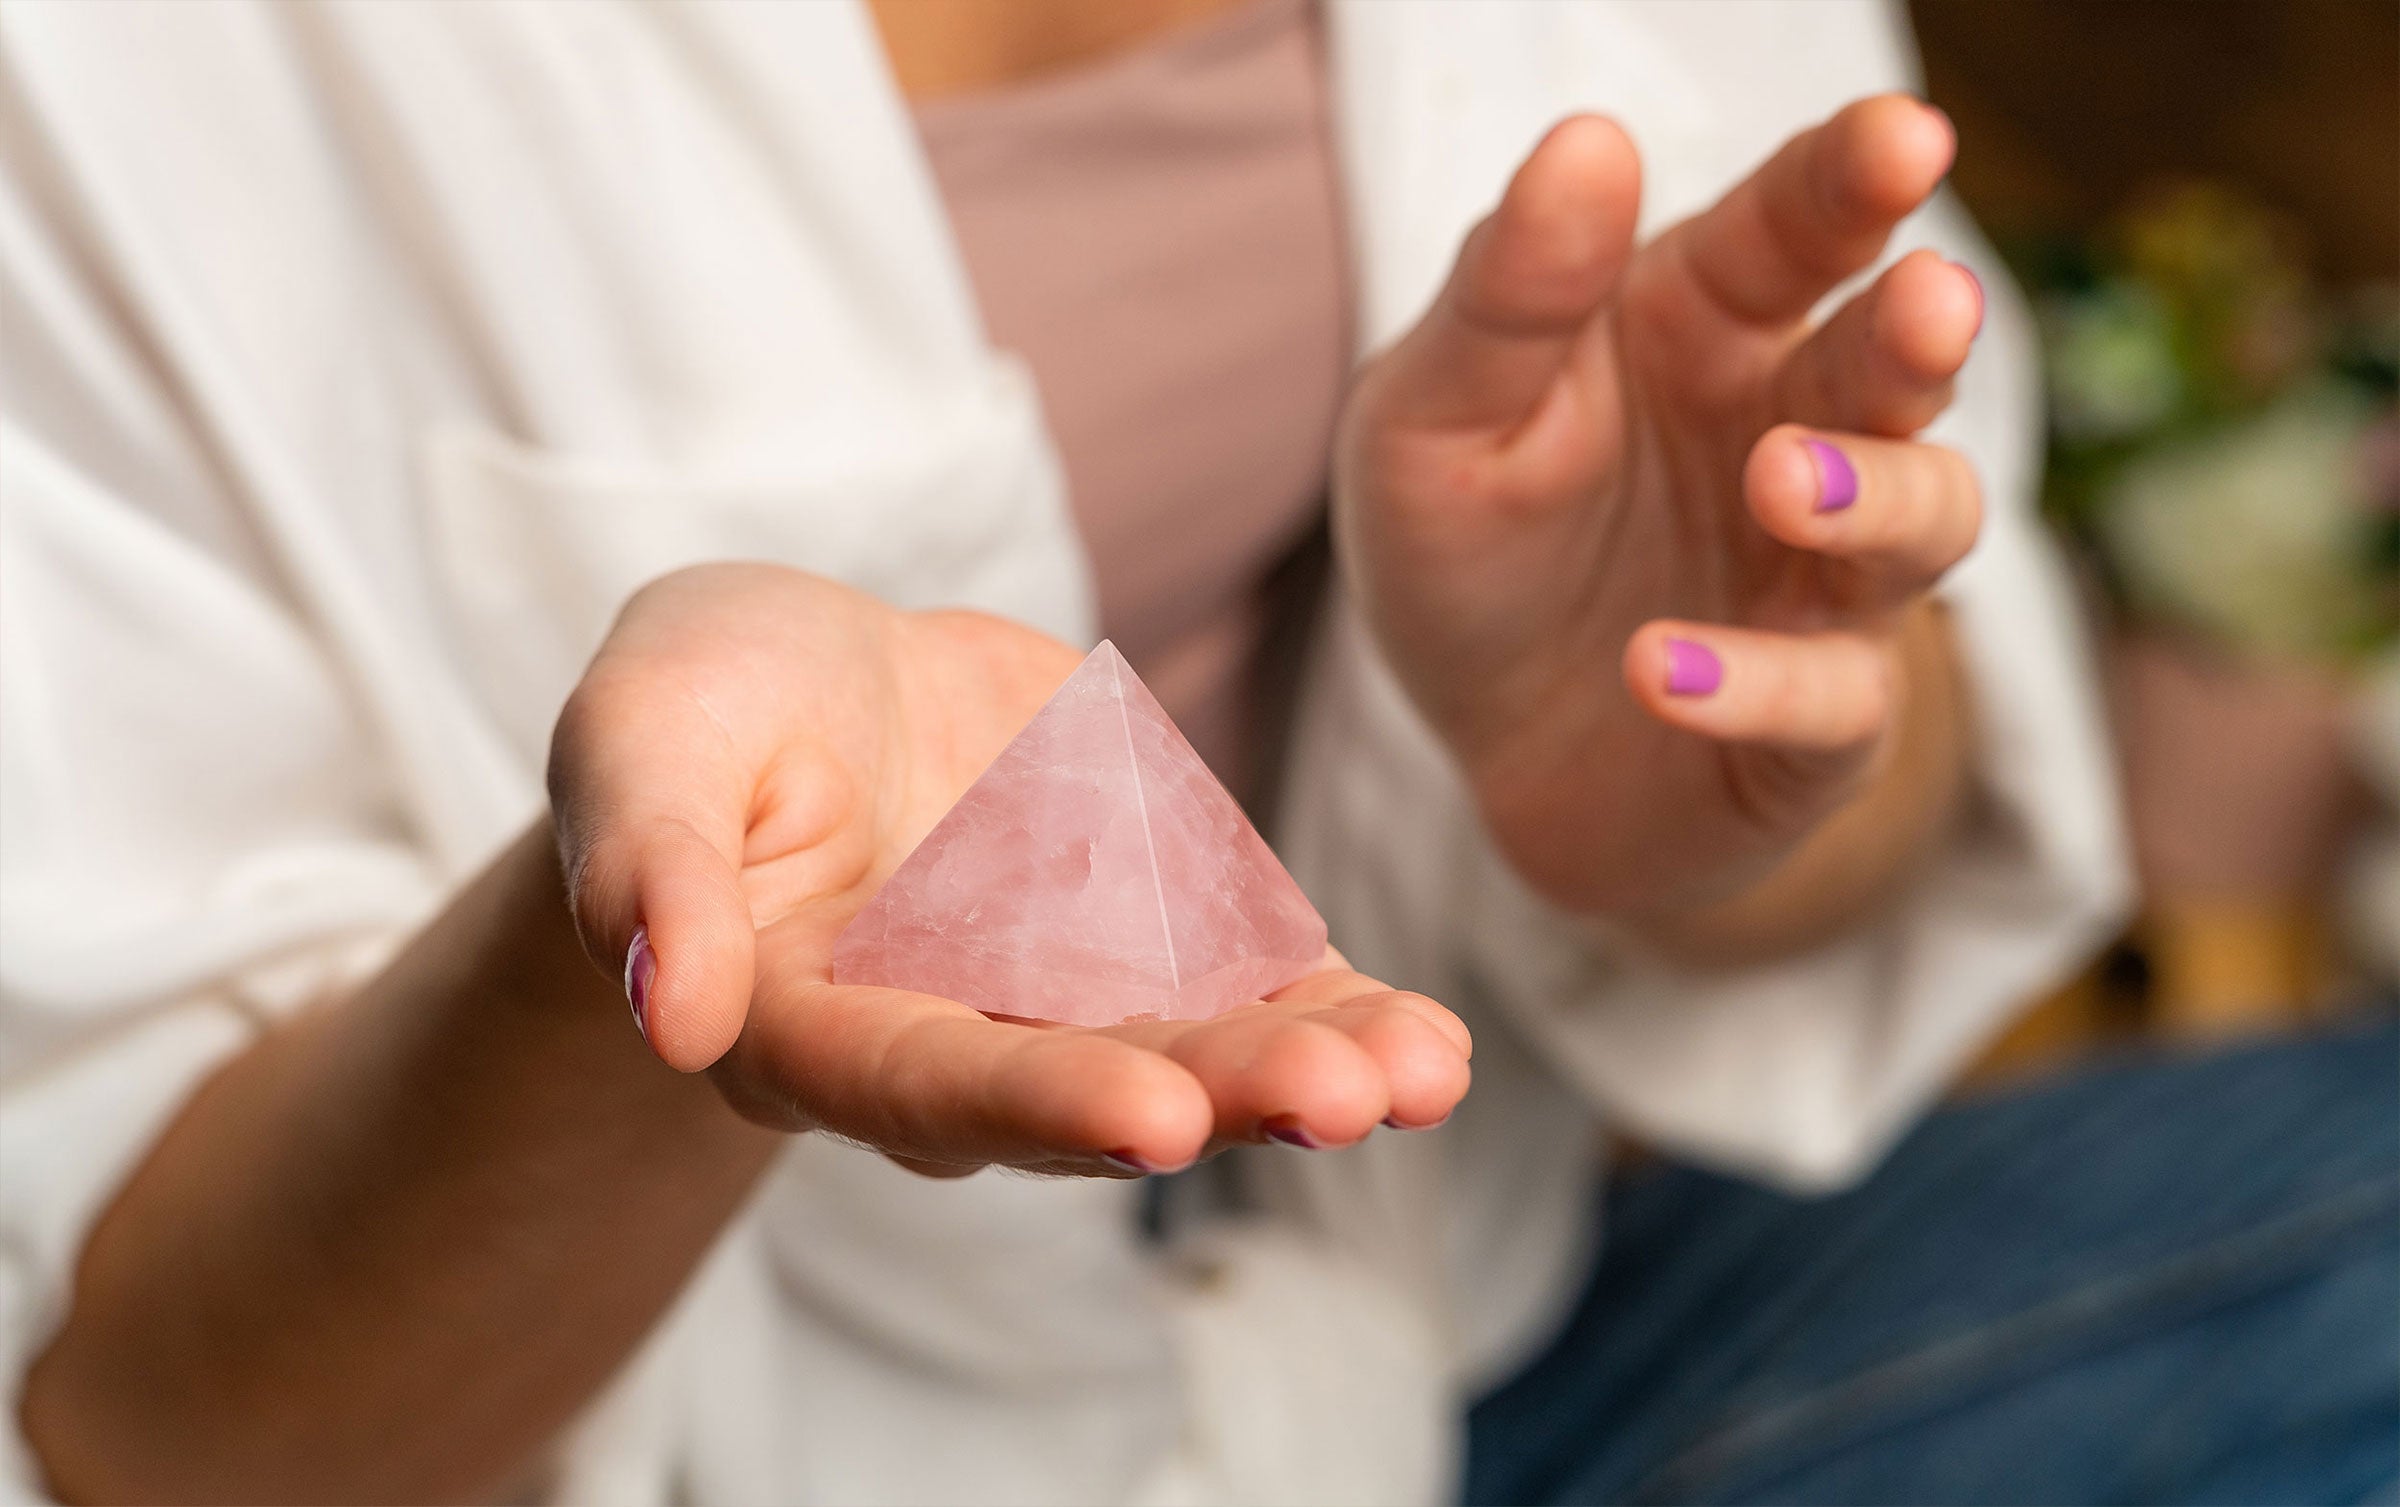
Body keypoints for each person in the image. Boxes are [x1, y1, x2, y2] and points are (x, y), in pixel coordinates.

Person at [0, 1, 2389, 1503]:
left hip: (1460, 1342)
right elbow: (161, 1439)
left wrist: (1695, 771)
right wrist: (633, 945)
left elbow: (1854, 754)